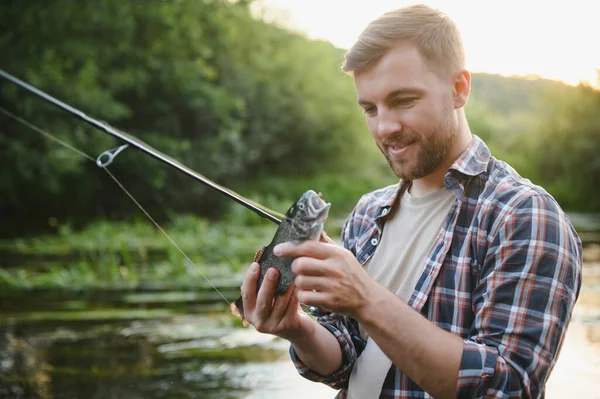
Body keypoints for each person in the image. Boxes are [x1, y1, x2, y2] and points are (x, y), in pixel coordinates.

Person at [238, 4, 582, 398]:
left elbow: (506, 388)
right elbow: (347, 357)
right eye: (370, 108)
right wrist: (297, 327)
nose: (384, 127)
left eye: (403, 101)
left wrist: (366, 299)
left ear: (459, 89)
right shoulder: (367, 212)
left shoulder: (525, 217)